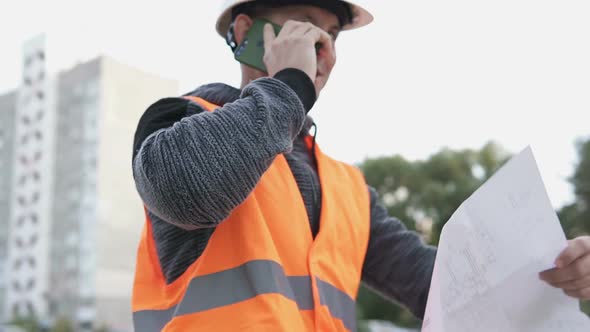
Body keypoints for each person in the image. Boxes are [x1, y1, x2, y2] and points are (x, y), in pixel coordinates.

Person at [130, 0, 590, 330]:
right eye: (305, 25)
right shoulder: (181, 119)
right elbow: (186, 188)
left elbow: (442, 287)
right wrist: (291, 82)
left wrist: (554, 268)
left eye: (330, 34)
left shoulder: (345, 188)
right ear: (246, 32)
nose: (323, 47)